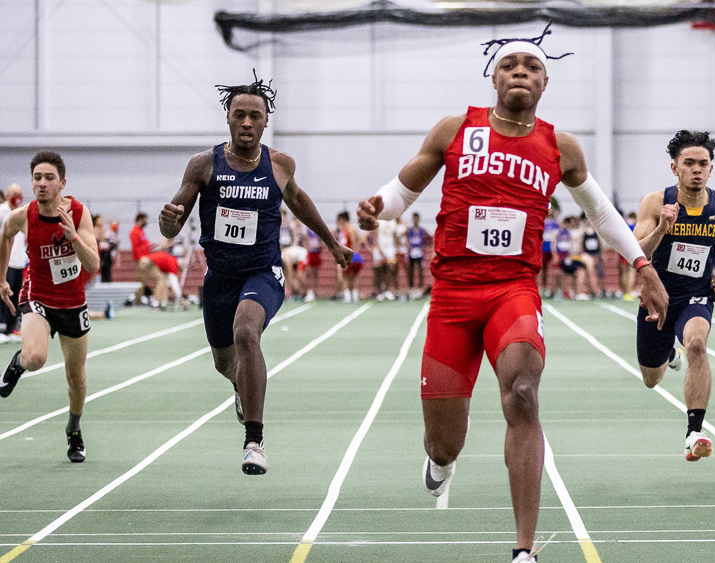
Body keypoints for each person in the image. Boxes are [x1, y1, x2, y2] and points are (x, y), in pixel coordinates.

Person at [355, 27, 668, 563]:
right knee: (443, 441)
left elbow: (600, 213)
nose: (520, 71)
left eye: (531, 66)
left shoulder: (560, 146)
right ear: (494, 76)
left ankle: (525, 549)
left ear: (545, 81)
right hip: (453, 295)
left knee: (522, 392)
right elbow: (402, 190)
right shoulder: (456, 129)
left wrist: (641, 263)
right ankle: (443, 461)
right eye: (510, 65)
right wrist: (377, 208)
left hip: (513, 290)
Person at [159, 74, 352, 475]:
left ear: (266, 122)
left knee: (247, 331)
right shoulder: (202, 165)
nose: (247, 123)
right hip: (219, 279)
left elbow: (299, 201)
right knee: (224, 363)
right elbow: (171, 227)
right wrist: (168, 220)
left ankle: (254, 440)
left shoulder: (279, 165)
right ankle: (239, 385)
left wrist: (332, 244)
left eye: (255, 116)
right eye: (239, 115)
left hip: (263, 272)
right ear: (227, 119)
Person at [633, 130, 715, 463]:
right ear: (674, 168)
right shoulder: (655, 202)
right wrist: (662, 228)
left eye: (702, 164)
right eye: (688, 163)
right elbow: (633, 251)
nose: (696, 169)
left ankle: (694, 432)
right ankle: (667, 353)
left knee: (696, 344)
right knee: (652, 379)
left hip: (697, 294)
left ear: (711, 168)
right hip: (657, 297)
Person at [0, 151, 101, 463]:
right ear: (32, 183)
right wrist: (2, 278)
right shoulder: (23, 215)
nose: (42, 184)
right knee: (35, 358)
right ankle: (18, 362)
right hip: (38, 295)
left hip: (72, 302)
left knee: (77, 378)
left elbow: (94, 265)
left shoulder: (79, 213)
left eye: (49, 178)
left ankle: (73, 428)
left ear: (62, 183)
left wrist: (73, 238)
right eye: (37, 178)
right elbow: (5, 235)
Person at [0, 185, 26, 339]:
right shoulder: (2, 210)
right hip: (6, 261)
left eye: (20, 194)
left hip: (19, 261)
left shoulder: (20, 213)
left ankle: (11, 328)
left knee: (16, 295)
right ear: (8, 195)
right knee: (4, 294)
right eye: (15, 194)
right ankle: (2, 327)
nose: (18, 196)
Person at [335, 211, 364, 302]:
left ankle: (346, 296)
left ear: (342, 220)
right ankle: (354, 295)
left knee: (344, 278)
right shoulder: (353, 229)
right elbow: (361, 240)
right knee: (354, 278)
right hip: (357, 256)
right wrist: (357, 249)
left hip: (348, 256)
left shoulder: (345, 230)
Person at [406, 212, 431, 298]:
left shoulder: (422, 230)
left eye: (417, 218)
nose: (415, 220)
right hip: (412, 251)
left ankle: (420, 289)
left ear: (419, 219)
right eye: (414, 218)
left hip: (419, 252)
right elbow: (405, 239)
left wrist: (423, 246)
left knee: (420, 271)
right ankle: (411, 289)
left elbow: (429, 239)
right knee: (411, 271)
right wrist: (408, 247)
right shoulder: (409, 230)